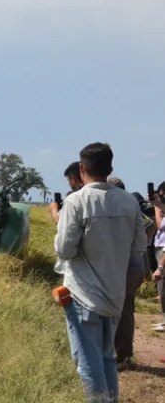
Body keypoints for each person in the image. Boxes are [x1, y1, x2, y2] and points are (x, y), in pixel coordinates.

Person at [52, 142, 147, 403]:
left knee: (87, 363)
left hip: (83, 295)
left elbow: (65, 249)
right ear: (111, 168)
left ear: (82, 169)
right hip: (114, 295)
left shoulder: (77, 202)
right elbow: (139, 246)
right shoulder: (129, 202)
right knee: (106, 357)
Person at [107, 177, 157, 367]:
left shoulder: (117, 208)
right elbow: (150, 226)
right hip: (135, 263)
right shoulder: (131, 206)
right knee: (126, 307)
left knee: (115, 308)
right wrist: (139, 245)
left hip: (123, 265)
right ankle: (123, 353)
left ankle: (116, 354)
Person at [151, 181, 165, 332]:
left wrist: (156, 207)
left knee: (163, 286)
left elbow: (159, 225)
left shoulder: (160, 209)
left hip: (163, 250)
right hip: (159, 247)